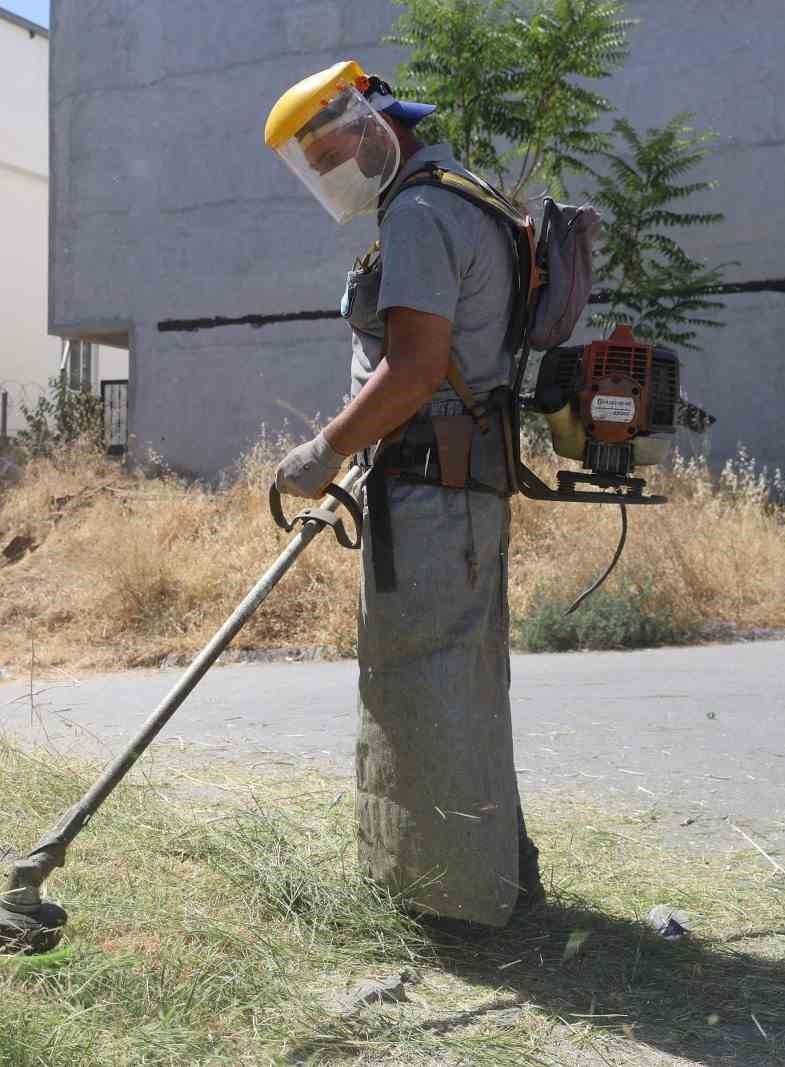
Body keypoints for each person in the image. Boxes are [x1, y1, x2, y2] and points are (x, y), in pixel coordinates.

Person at [263, 61, 541, 931]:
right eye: (313, 159)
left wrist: (321, 451)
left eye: (330, 145)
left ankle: (450, 908)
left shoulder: (421, 211)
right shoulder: (464, 195)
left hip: (434, 490)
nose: (328, 169)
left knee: (430, 688)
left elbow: (416, 367)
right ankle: (498, 876)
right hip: (453, 487)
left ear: (374, 120)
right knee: (459, 683)